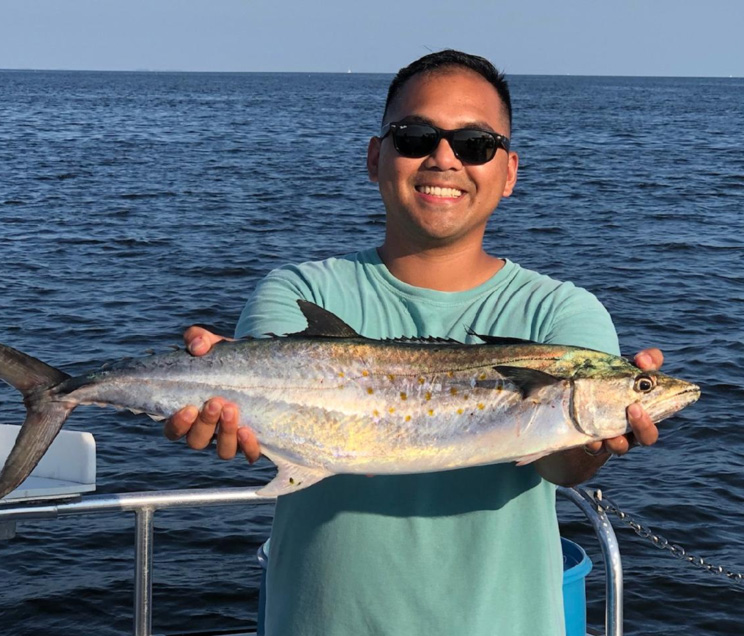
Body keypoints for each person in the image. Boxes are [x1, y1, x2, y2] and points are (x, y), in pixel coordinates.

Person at [165, 50, 662, 635]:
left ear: (508, 172)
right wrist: (223, 393)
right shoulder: (298, 289)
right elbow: (269, 412)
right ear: (376, 157)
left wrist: (599, 440)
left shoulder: (560, 311)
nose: (444, 158)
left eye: (476, 144)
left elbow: (560, 461)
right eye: (415, 136)